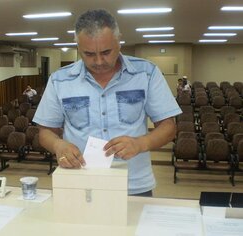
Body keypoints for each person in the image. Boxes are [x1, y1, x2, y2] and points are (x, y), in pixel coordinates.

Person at [33, 9, 181, 196]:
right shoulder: (59, 80)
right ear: (78, 47)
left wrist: (140, 144)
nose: (99, 61)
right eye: (88, 54)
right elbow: (45, 131)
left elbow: (168, 127)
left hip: (133, 184)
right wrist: (58, 146)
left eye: (106, 52)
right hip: (79, 182)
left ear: (119, 41)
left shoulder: (146, 73)